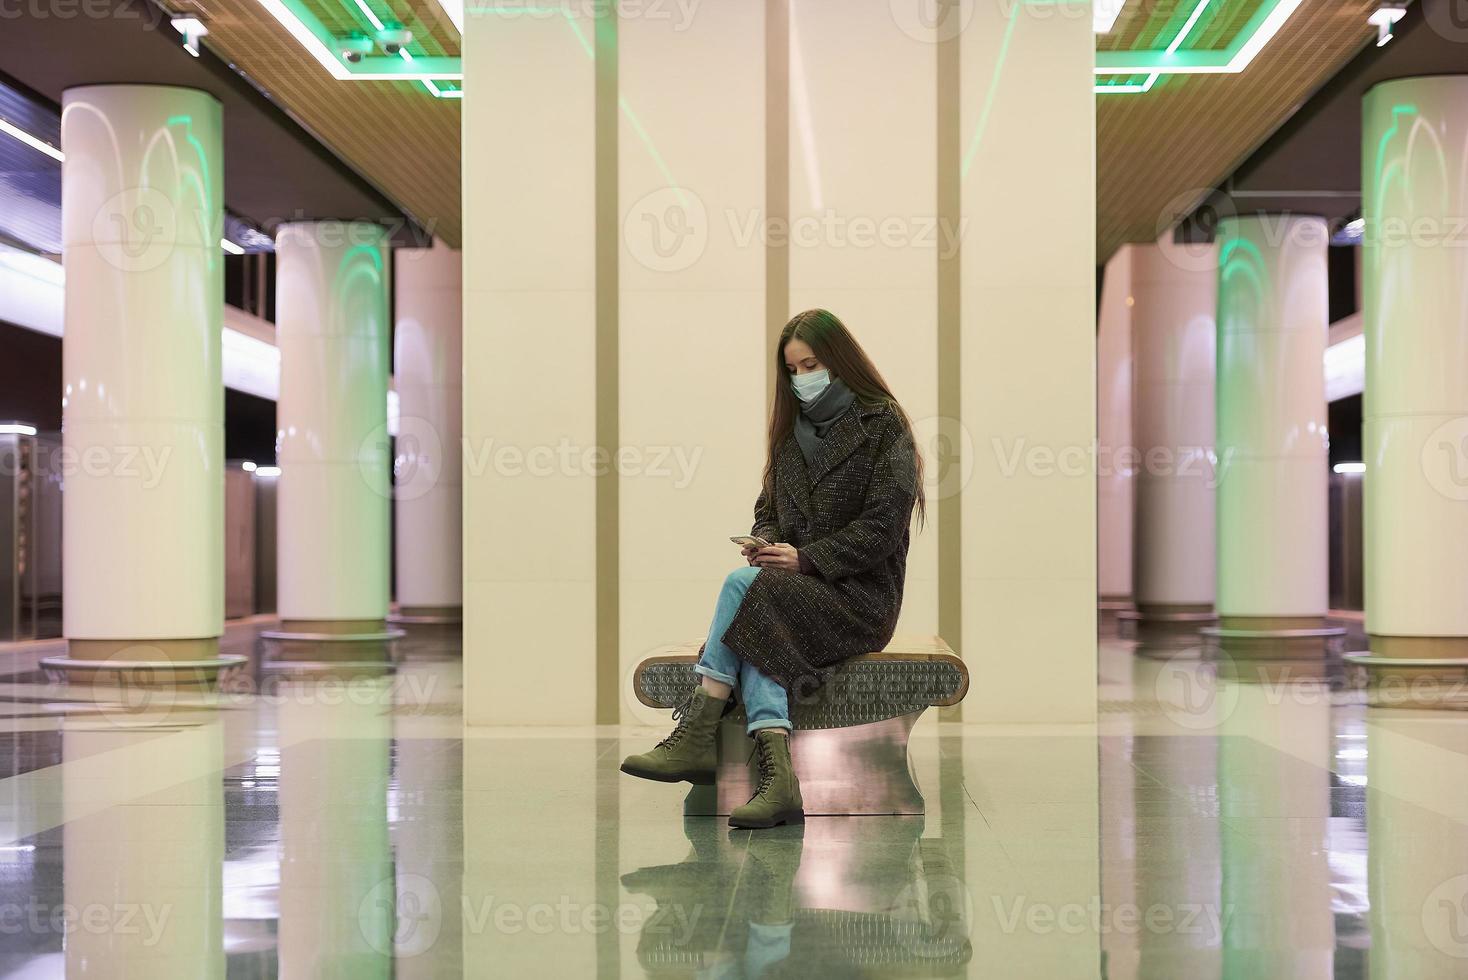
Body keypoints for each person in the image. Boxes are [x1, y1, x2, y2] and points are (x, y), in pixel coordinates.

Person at [621, 308, 926, 829]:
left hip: (859, 599)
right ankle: (777, 783)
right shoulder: (790, 433)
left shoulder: (884, 424)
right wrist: (763, 542)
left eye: (813, 364)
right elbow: (769, 510)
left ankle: (700, 731)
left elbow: (882, 529)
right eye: (794, 369)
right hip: (791, 592)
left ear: (840, 361)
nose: (804, 378)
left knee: (750, 592)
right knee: (758, 599)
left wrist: (805, 559)